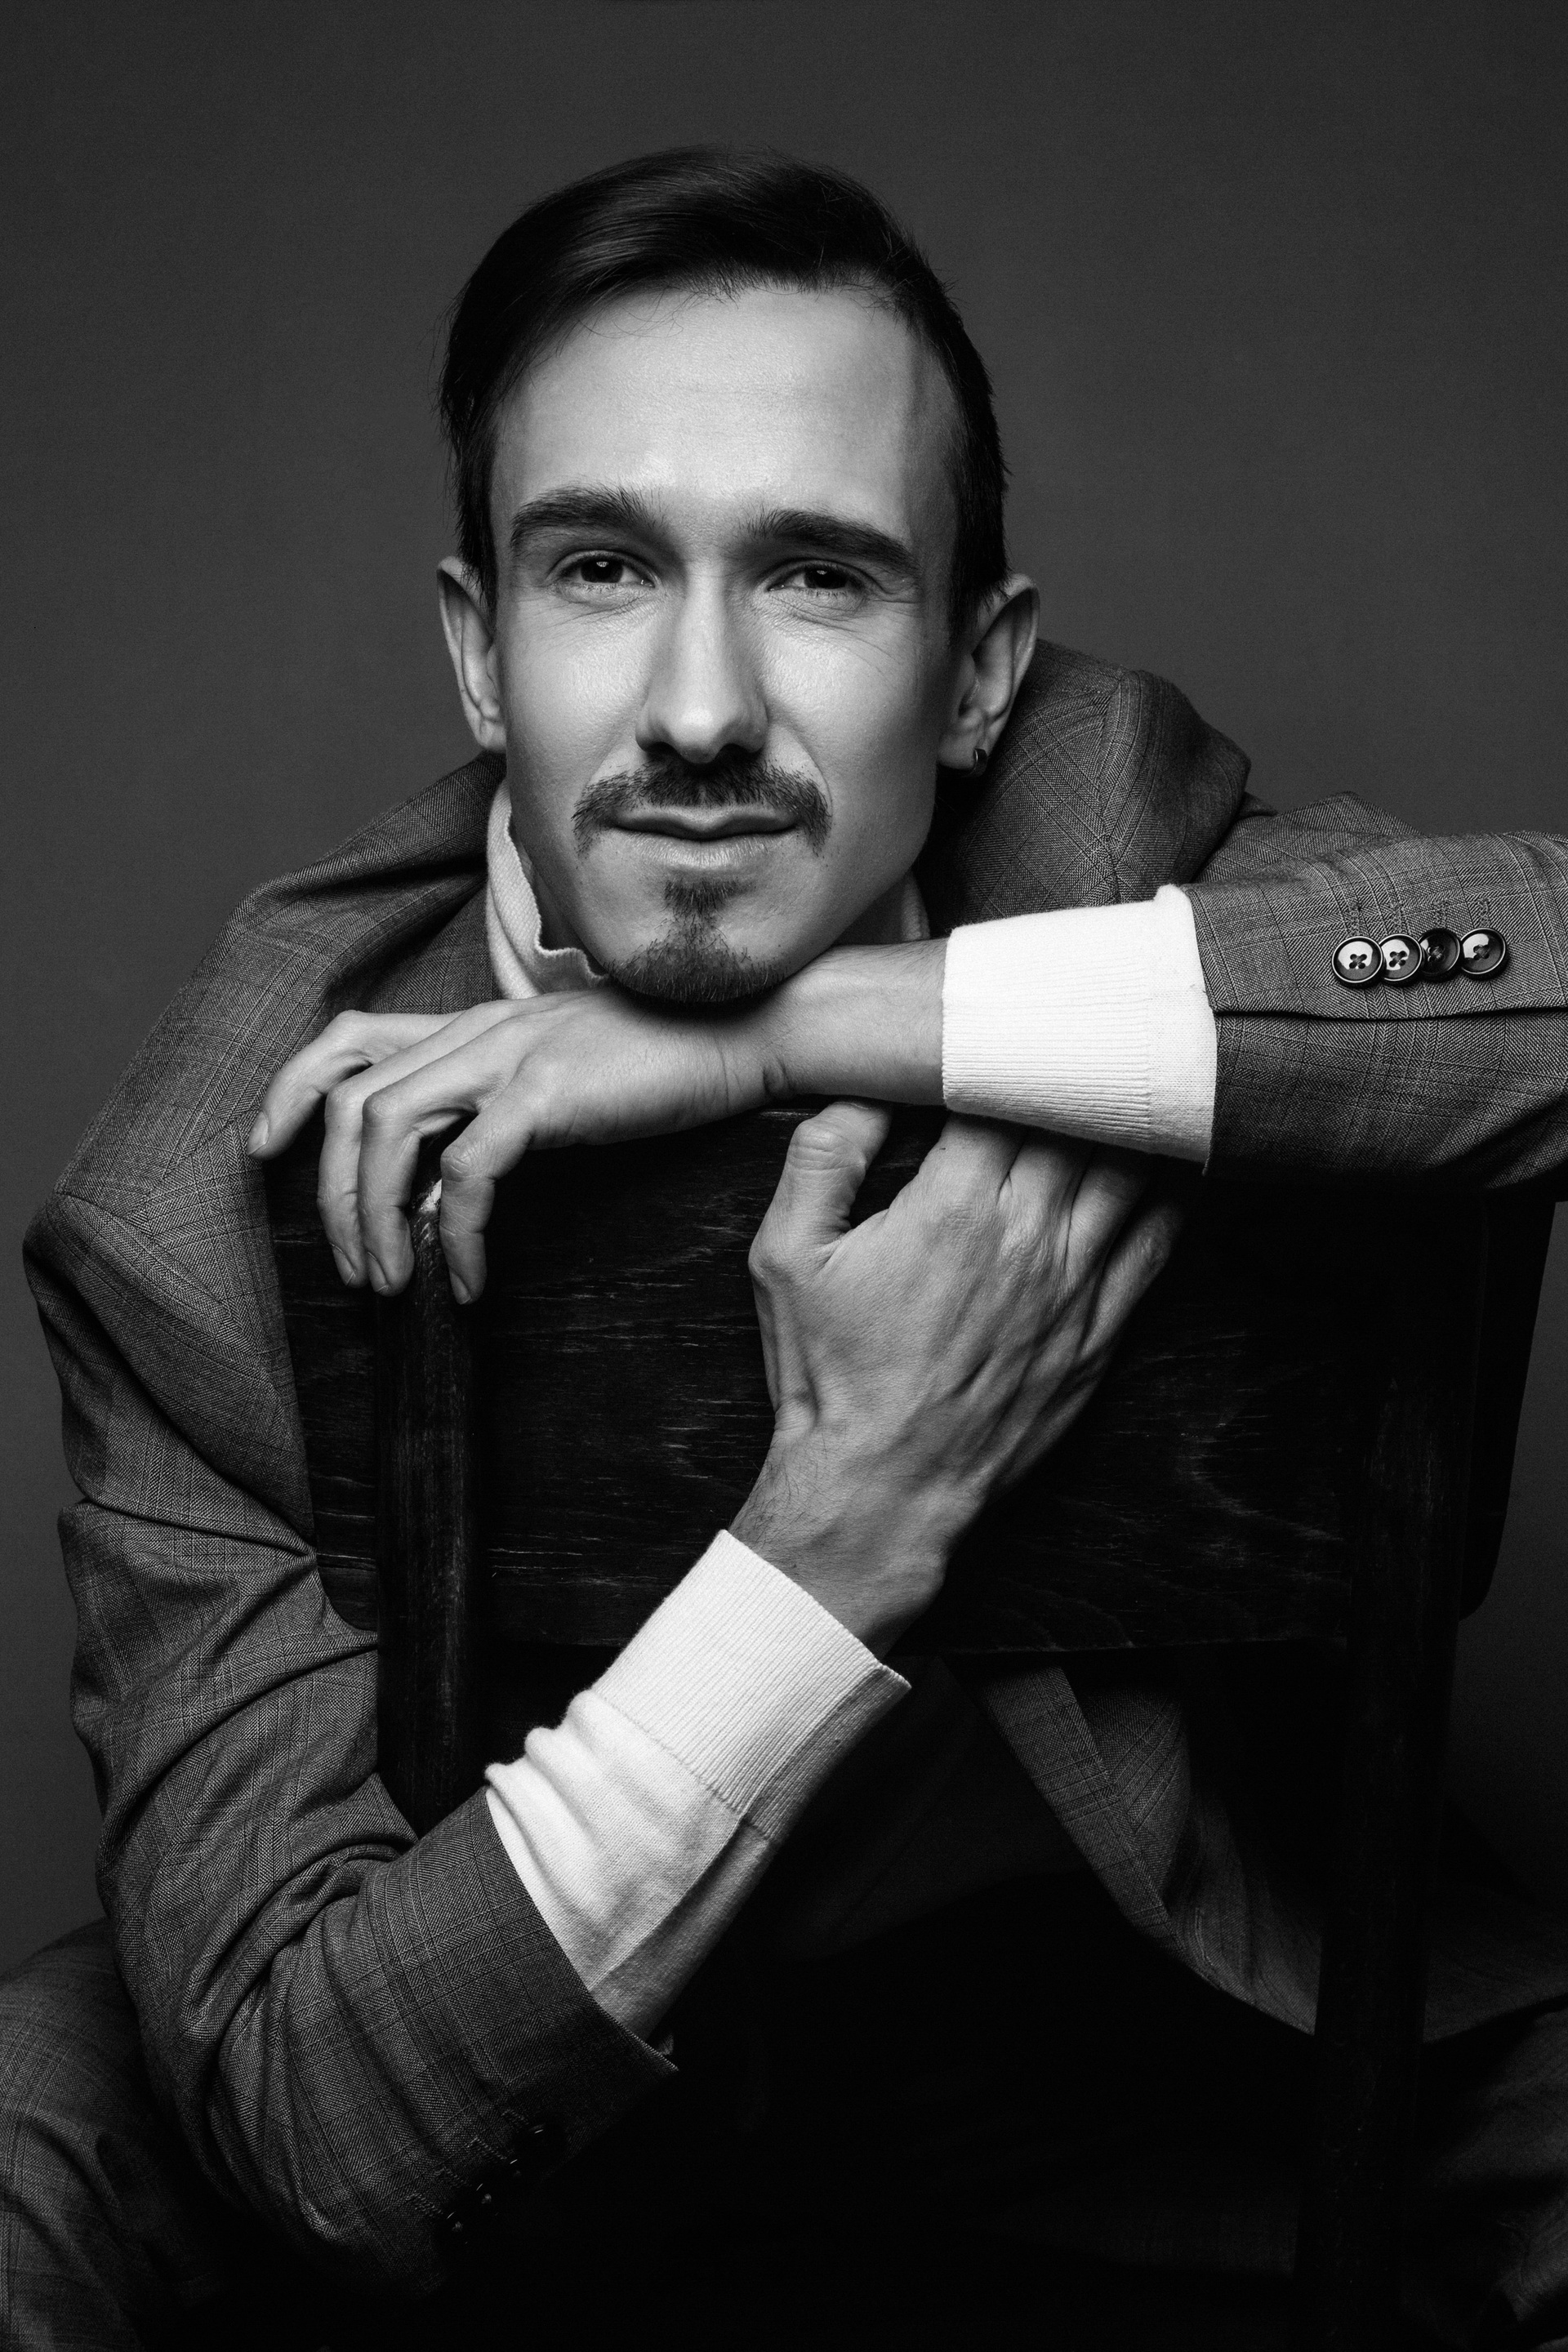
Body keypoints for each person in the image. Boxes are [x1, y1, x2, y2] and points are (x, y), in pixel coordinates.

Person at [5, 147, 1567, 2351]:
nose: (702, 709)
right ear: (479, 652)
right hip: (526, 2051)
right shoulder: (195, 1215)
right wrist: (848, 1527)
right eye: (600, 568)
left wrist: (785, 1032)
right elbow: (328, 2121)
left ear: (978, 672)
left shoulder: (1099, 825)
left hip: (1125, 2021)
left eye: (818, 577)